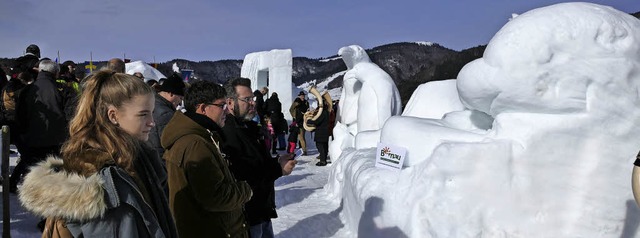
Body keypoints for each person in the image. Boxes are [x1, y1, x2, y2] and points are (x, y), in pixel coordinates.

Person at [18, 70, 178, 237]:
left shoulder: (136, 158)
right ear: (113, 115)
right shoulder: (99, 174)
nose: (152, 122)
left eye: (152, 112)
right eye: (143, 114)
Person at [162, 80, 253, 238]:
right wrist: (246, 190)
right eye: (222, 106)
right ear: (203, 108)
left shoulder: (203, 136)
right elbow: (215, 196)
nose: (226, 111)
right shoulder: (195, 144)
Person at [221, 77, 297, 238]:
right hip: (247, 217)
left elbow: (258, 163)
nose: (253, 103)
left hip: (262, 211)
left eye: (253, 99)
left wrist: (277, 161)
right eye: (247, 99)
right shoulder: (228, 133)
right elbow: (243, 175)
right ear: (230, 103)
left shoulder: (248, 127)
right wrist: (278, 169)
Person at [11, 59, 77, 192]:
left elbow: (19, 115)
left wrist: (23, 134)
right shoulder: (64, 89)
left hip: (32, 137)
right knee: (58, 167)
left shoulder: (27, 90)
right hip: (58, 139)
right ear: (56, 73)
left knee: (29, 162)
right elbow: (71, 114)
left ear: (40, 71)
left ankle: (13, 184)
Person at [148, 73, 185, 160]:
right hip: (160, 163)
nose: (180, 103)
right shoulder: (166, 114)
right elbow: (169, 145)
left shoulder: (150, 103)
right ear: (171, 94)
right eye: (180, 98)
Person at [307, 101, 330, 166]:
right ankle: (324, 158)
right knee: (324, 146)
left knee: (320, 146)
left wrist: (310, 121)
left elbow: (317, 121)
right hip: (325, 131)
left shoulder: (322, 113)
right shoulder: (326, 112)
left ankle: (323, 161)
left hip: (321, 132)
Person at [289, 91, 310, 155]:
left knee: (301, 137)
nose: (302, 96)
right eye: (301, 95)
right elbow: (291, 109)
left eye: (303, 95)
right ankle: (302, 150)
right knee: (300, 137)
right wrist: (294, 116)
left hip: (303, 121)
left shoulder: (306, 103)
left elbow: (308, 111)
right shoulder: (296, 102)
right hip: (297, 122)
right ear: (299, 96)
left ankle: (303, 150)